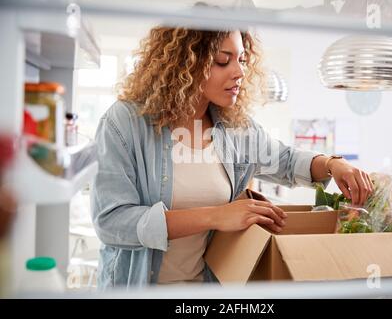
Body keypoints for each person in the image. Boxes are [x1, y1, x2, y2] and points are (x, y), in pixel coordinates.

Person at [91, 26, 373, 289]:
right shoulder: (125, 122)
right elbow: (112, 222)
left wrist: (334, 164)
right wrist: (216, 216)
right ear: (184, 64)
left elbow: (286, 160)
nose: (239, 72)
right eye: (223, 61)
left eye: (241, 59)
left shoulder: (236, 127)